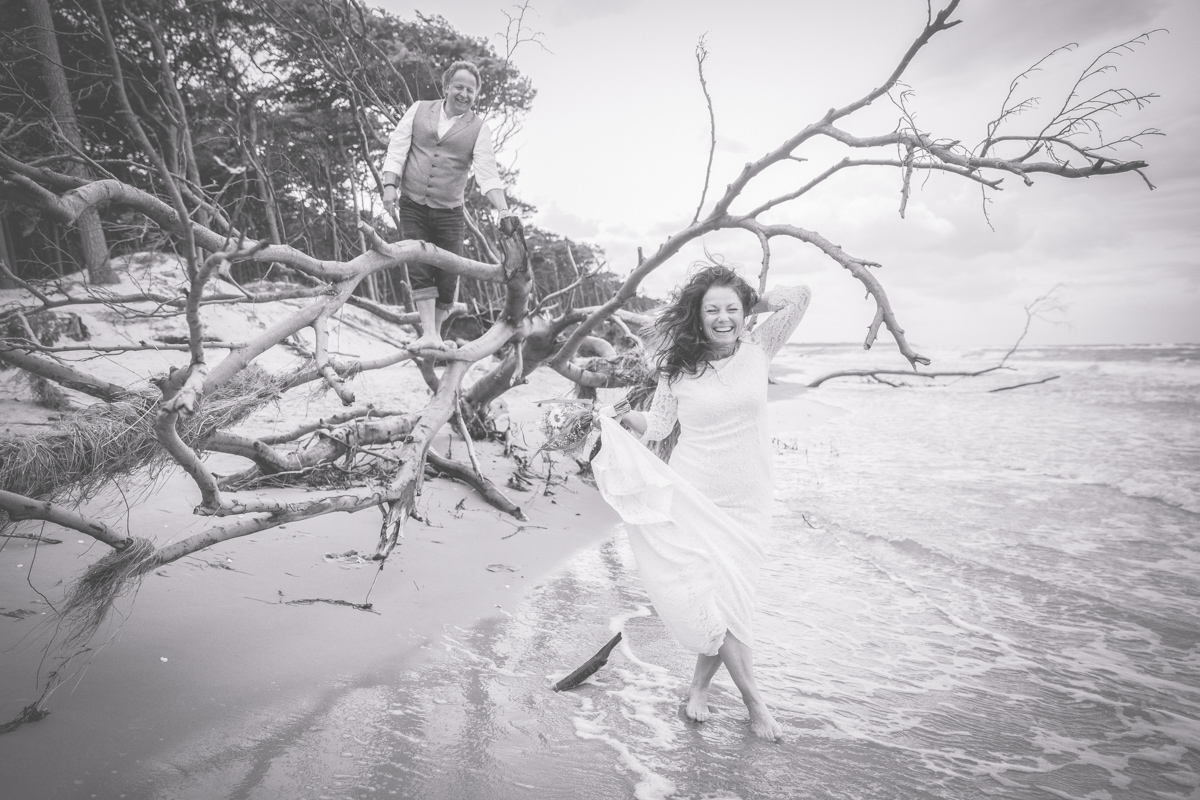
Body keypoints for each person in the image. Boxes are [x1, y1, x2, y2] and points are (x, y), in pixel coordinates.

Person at [591, 263, 811, 741]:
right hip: (695, 494)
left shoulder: (760, 348)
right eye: (712, 309)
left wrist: (754, 301)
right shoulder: (678, 369)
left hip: (750, 499)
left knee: (733, 602)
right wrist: (624, 417)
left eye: (732, 308)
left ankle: (698, 689)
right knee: (719, 602)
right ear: (698, 314)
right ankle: (756, 704)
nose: (723, 317)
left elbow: (801, 294)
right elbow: (664, 426)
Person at [380, 60, 515, 349]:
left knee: (447, 276)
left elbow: (487, 173)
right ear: (446, 87)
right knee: (417, 266)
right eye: (459, 87)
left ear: (476, 94)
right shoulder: (418, 110)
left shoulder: (479, 129)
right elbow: (397, 149)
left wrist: (503, 208)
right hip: (413, 203)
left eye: (470, 89)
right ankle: (429, 333)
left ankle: (436, 335)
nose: (464, 94)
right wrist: (390, 186)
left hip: (450, 211)